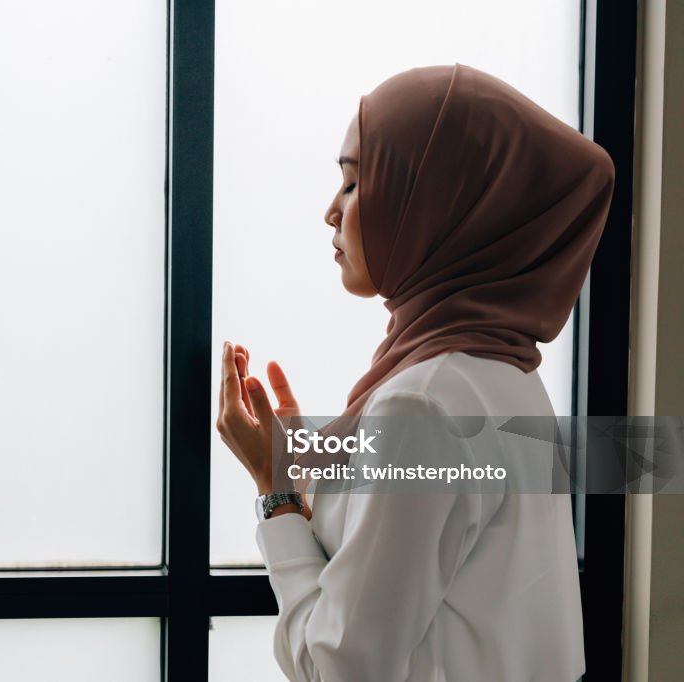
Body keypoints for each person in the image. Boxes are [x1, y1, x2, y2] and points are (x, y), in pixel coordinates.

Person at [216, 62, 615, 681]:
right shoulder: (504, 377)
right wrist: (317, 474)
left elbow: (340, 669)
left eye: (353, 183)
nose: (331, 211)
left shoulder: (421, 402)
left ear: (431, 202)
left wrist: (277, 492)